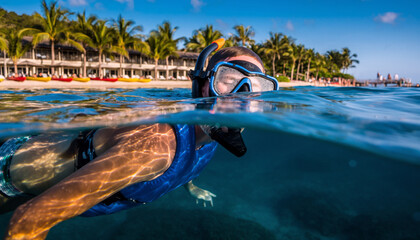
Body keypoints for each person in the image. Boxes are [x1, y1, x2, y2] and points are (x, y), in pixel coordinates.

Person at [1, 39, 279, 239]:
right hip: (7, 177)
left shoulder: (209, 135)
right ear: (203, 85)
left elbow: (186, 160)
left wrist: (190, 187)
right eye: (229, 80)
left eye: (257, 88)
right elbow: (31, 219)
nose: (242, 98)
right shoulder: (156, 145)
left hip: (30, 185)